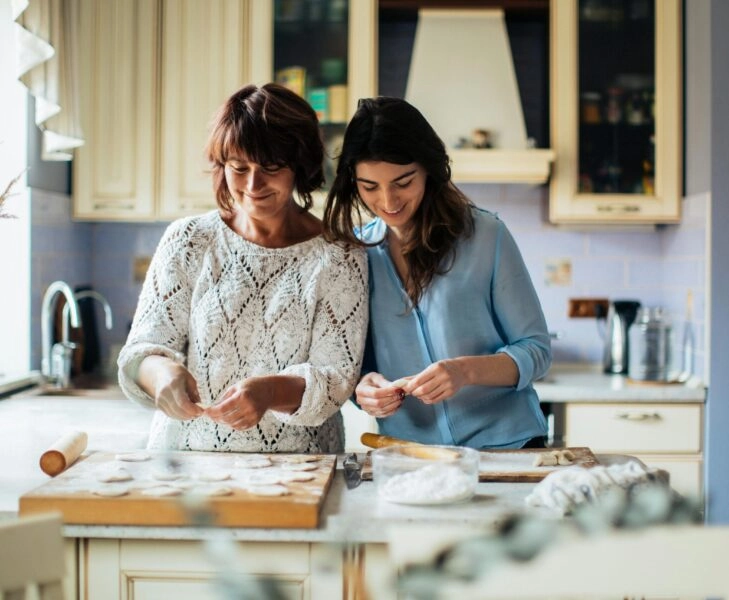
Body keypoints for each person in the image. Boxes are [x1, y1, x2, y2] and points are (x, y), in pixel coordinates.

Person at [118, 83, 368, 453]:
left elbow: (335, 379)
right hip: (187, 462)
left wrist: (268, 392)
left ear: (299, 166)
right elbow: (142, 350)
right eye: (239, 167)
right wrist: (162, 374)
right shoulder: (189, 240)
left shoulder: (340, 255)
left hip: (298, 468)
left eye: (271, 167)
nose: (253, 184)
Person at [323, 97, 551, 449]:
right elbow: (358, 366)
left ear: (428, 168)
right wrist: (364, 389)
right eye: (370, 187)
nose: (388, 200)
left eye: (403, 181)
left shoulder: (487, 236)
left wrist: (464, 371)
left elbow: (536, 350)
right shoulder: (356, 255)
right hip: (411, 456)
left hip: (509, 448)